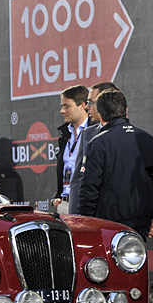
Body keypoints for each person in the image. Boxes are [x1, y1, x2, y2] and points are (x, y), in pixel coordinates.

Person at [76, 89, 153, 239]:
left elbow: (89, 188)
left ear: (100, 114)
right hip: (142, 221)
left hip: (108, 225)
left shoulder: (98, 143)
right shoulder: (149, 141)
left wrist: (87, 222)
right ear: (126, 111)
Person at [52, 85, 90, 215]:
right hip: (64, 205)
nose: (62, 111)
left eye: (67, 106)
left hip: (85, 205)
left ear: (83, 105)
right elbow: (65, 168)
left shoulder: (95, 132)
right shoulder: (65, 135)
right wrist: (57, 196)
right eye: (62, 106)